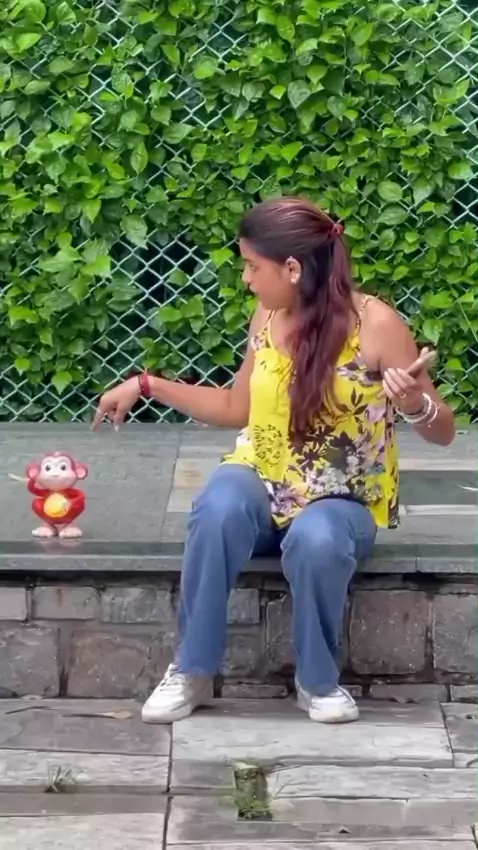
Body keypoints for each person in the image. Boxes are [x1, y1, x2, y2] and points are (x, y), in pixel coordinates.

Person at [92, 196, 455, 725]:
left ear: (292, 268)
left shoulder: (375, 324)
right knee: (218, 506)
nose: (245, 279)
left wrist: (414, 403)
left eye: (251, 266)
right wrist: (147, 385)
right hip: (263, 477)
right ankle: (192, 671)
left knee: (317, 537)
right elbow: (234, 407)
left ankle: (317, 681)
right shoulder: (267, 314)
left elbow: (443, 431)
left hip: (340, 498)